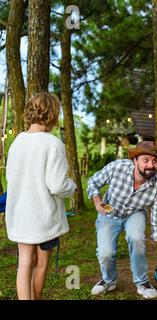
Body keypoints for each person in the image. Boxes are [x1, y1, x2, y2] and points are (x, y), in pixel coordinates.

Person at [5, 92, 76, 300]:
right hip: (44, 216)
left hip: (20, 213)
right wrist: (71, 186)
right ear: (53, 114)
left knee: (24, 263)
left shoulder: (17, 142)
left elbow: (11, 176)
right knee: (42, 263)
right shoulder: (53, 144)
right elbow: (57, 185)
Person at [87, 141, 157, 299]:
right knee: (106, 253)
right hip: (109, 213)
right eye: (146, 160)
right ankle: (108, 280)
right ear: (135, 161)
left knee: (136, 237)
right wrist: (98, 202)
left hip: (134, 213)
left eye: (154, 161)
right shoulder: (117, 167)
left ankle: (142, 282)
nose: (151, 165)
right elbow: (93, 181)